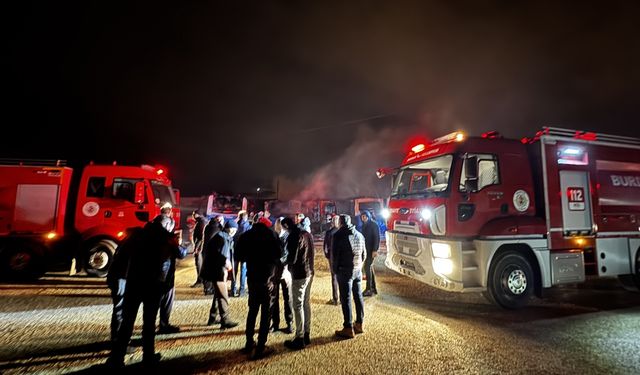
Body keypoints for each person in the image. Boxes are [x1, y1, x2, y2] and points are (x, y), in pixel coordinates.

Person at [106, 214, 186, 368]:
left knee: (127, 321)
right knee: (149, 323)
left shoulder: (138, 235)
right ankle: (148, 356)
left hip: (134, 282)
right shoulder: (166, 237)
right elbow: (181, 254)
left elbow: (123, 254)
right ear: (166, 225)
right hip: (154, 284)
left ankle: (117, 358)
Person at [235, 215, 285, 360]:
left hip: (252, 277)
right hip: (268, 279)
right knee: (266, 312)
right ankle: (261, 346)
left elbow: (239, 255)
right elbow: (280, 254)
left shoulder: (247, 235)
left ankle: (249, 342)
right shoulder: (272, 235)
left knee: (252, 310)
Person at [107, 226, 143, 353]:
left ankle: (118, 339)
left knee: (119, 309)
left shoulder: (125, 243)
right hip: (121, 279)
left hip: (118, 278)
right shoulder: (132, 245)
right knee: (120, 310)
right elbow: (131, 266)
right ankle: (119, 343)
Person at [282, 217, 314, 350]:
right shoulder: (307, 234)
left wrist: (283, 263)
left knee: (297, 304)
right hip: (309, 272)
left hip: (299, 273)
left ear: (286, 226)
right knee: (306, 303)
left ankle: (299, 337)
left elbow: (292, 258)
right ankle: (306, 333)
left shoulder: (293, 236)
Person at [333, 214, 366, 339]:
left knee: (346, 298)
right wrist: (359, 266)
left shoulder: (338, 236)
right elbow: (364, 253)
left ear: (340, 223)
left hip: (344, 270)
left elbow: (335, 256)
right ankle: (359, 323)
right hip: (357, 269)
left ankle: (348, 327)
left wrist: (335, 270)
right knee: (358, 296)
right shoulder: (359, 234)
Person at [202, 220, 239, 329]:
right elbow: (222, 256)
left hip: (215, 271)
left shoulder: (221, 236)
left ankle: (212, 318)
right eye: (234, 229)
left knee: (218, 294)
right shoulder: (223, 238)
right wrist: (226, 263)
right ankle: (225, 320)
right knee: (223, 295)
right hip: (219, 271)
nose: (235, 232)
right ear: (231, 229)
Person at [158, 207, 188, 335]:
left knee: (152, 305)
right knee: (166, 300)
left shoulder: (149, 231)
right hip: (165, 274)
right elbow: (181, 254)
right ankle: (164, 325)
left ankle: (148, 331)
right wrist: (181, 244)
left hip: (151, 273)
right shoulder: (169, 237)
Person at [270, 217, 293, 334]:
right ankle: (276, 323)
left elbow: (288, 254)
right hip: (277, 271)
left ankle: (289, 323)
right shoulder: (274, 237)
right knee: (275, 298)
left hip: (284, 271)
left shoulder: (287, 238)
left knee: (287, 298)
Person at [202, 215, 225, 295]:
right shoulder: (218, 228)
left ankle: (207, 288)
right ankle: (210, 289)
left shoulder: (208, 226)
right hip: (213, 251)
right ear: (219, 220)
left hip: (205, 250)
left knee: (207, 269)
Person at [360, 210, 380, 297]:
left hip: (371, 250)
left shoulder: (373, 225)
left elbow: (377, 238)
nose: (363, 218)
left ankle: (369, 289)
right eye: (362, 217)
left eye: (364, 216)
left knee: (367, 267)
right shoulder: (364, 225)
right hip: (366, 250)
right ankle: (373, 288)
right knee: (369, 268)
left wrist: (375, 250)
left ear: (368, 216)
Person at [231, 211, 251, 297]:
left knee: (234, 271)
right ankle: (242, 290)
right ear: (246, 217)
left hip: (235, 251)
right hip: (245, 252)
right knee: (243, 271)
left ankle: (233, 289)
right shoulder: (249, 227)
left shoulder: (235, 225)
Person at [323, 214, 340, 305]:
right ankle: (342, 298)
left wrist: (327, 255)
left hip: (331, 256)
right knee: (341, 277)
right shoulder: (342, 232)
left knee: (334, 277)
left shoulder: (329, 232)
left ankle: (335, 299)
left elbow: (325, 245)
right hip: (341, 257)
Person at [191, 210, 209, 288]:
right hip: (200, 247)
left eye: (193, 214)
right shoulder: (202, 221)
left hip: (200, 248)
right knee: (199, 264)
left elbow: (201, 237)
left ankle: (200, 280)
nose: (193, 216)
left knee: (199, 263)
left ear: (197, 215)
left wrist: (197, 247)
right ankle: (201, 280)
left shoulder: (201, 222)